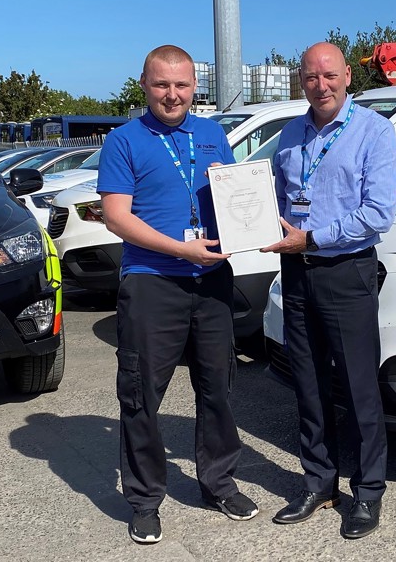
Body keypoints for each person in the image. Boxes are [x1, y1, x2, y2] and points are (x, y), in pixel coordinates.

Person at [98, 44, 259, 545]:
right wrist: (180, 250)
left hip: (210, 278)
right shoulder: (123, 141)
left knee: (218, 388)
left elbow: (237, 193)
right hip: (152, 280)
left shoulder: (212, 134)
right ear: (144, 85)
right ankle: (145, 499)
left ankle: (218, 482)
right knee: (143, 393)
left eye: (182, 85)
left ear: (195, 87)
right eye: (162, 84)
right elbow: (117, 216)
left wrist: (253, 226)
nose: (172, 94)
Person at [261, 42, 396, 539]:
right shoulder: (290, 134)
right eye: (311, 77)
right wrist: (256, 225)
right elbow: (273, 197)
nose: (321, 85)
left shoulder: (374, 132)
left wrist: (313, 238)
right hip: (296, 270)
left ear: (347, 78)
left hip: (345, 271)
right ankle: (318, 482)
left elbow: (378, 213)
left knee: (359, 388)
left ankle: (368, 492)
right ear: (302, 81)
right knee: (309, 384)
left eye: (329, 76)